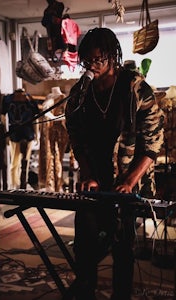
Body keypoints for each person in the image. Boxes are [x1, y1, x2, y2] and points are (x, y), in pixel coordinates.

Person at [65, 27, 164, 300]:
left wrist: (130, 181)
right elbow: (75, 134)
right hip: (96, 179)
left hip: (129, 180)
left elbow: (154, 141)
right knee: (85, 240)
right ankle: (85, 287)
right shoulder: (81, 92)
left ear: (112, 56)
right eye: (88, 61)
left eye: (98, 60)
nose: (92, 66)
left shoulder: (135, 88)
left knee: (123, 248)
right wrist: (86, 172)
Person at [2, 89, 39, 189]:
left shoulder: (27, 99)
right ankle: (15, 184)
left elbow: (36, 116)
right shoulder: (10, 99)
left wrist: (36, 133)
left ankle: (21, 184)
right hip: (18, 133)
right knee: (16, 161)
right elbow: (3, 116)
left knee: (22, 162)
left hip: (24, 132)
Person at [38, 86, 68, 192]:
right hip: (47, 130)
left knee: (56, 157)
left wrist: (54, 118)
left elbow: (66, 115)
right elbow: (46, 112)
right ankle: (50, 184)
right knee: (48, 156)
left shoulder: (63, 98)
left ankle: (57, 184)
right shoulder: (49, 96)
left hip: (58, 131)